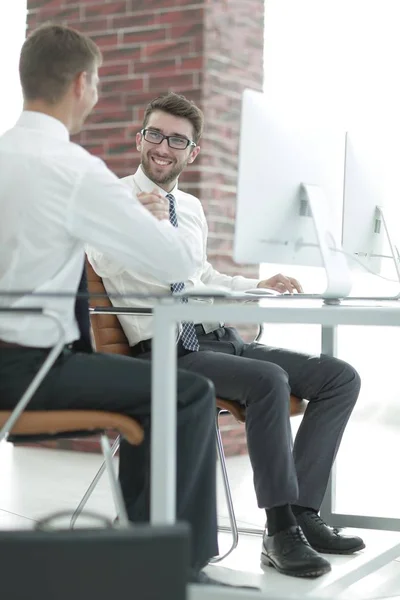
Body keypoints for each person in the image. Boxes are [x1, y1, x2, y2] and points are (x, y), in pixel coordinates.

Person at [0, 24, 247, 590]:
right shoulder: (77, 170)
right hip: (33, 371)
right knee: (189, 392)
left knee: (159, 387)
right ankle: (170, 565)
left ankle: (140, 542)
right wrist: (159, 217)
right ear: (83, 84)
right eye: (99, 81)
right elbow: (173, 268)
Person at [87, 91, 365, 579]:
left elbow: (200, 275)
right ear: (139, 139)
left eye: (177, 140)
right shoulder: (111, 201)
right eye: (155, 134)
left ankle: (301, 513)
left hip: (215, 340)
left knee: (339, 377)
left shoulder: (189, 207)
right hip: (164, 349)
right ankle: (278, 534)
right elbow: (106, 263)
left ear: (192, 153)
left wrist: (255, 284)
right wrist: (145, 227)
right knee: (268, 380)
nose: (163, 147)